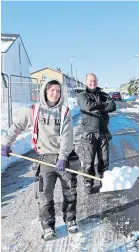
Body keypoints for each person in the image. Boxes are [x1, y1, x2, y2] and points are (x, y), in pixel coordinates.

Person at [1, 79, 78, 241]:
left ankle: (70, 220)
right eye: (51, 90)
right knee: (44, 195)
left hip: (65, 158)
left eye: (58, 91)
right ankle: (48, 227)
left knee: (70, 191)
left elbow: (66, 135)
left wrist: (63, 157)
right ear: (44, 91)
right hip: (45, 159)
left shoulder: (65, 111)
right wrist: (6, 143)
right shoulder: (34, 110)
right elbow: (17, 126)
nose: (55, 94)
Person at [77, 73, 116, 194]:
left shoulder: (103, 94)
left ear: (97, 82)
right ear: (86, 82)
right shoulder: (82, 95)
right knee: (88, 161)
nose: (92, 83)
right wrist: (104, 106)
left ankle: (104, 180)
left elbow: (113, 106)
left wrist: (99, 107)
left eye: (94, 81)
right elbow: (88, 107)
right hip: (89, 134)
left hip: (103, 132)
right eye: (90, 81)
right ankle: (88, 183)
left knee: (104, 160)